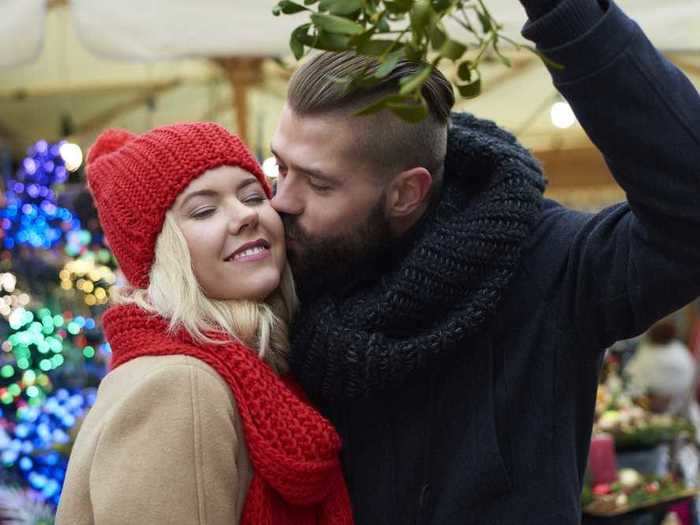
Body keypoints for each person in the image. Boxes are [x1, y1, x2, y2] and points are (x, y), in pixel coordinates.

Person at [268, 0, 700, 523]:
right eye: (280, 166)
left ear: (407, 193)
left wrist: (566, 12)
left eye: (317, 182)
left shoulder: (548, 265)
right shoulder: (281, 273)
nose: (280, 200)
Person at [55, 123, 353, 524]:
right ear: (160, 256)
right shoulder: (180, 387)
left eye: (253, 195)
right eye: (204, 210)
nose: (246, 215)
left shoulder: (259, 367)